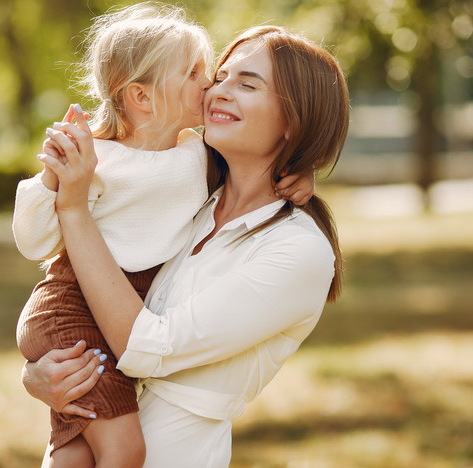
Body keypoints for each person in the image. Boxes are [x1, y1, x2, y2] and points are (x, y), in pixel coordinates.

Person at [23, 23, 349, 467]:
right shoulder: (183, 199)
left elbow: (147, 348)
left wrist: (74, 210)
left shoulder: (299, 252)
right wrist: (38, 376)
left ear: (294, 119)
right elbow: (77, 307)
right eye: (220, 76)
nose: (218, 90)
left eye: (247, 84)